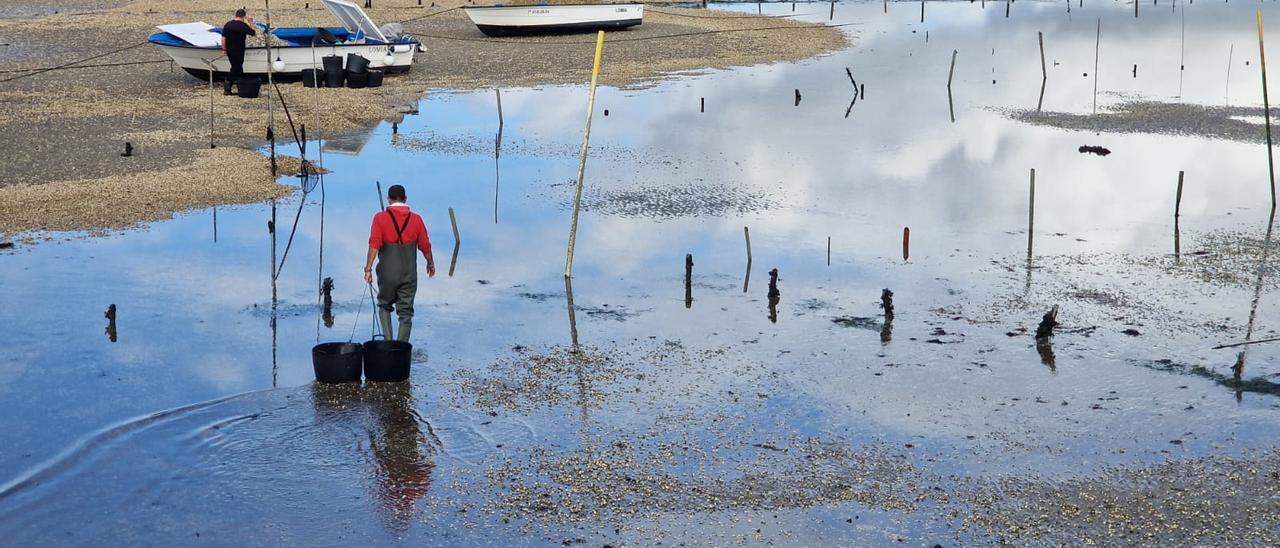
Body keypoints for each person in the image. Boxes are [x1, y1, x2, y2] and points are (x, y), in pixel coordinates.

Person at [364, 185, 435, 342]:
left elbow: (374, 244)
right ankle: (401, 349)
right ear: (405, 199)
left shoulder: (380, 218)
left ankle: (388, 345)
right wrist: (430, 263)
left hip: (386, 274)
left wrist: (368, 269)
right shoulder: (416, 219)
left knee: (384, 305)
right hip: (408, 274)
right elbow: (425, 245)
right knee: (406, 313)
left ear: (388, 199)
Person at [221, 9, 256, 96]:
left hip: (230, 50)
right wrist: (251, 22)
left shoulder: (228, 25)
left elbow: (223, 38)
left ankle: (242, 87)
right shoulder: (243, 26)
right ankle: (227, 88)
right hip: (239, 50)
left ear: (235, 15)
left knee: (238, 68)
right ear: (244, 17)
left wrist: (224, 49)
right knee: (236, 68)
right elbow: (253, 33)